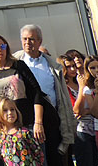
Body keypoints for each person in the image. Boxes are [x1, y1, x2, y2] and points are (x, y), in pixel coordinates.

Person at [14, 25, 75, 165]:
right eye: (24, 39)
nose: (28, 42)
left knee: (55, 159)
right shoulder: (15, 62)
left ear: (39, 41)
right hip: (27, 120)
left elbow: (62, 96)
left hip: (51, 118)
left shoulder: (51, 65)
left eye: (31, 39)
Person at [0, 34, 46, 146]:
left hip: (28, 123)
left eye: (2, 46)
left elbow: (36, 92)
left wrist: (38, 122)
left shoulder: (18, 65)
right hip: (6, 129)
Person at [59, 55, 98, 166]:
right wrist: (81, 88)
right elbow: (76, 110)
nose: (72, 69)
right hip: (80, 129)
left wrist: (88, 111)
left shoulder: (82, 82)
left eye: (74, 66)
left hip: (95, 126)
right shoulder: (64, 86)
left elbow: (96, 106)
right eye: (68, 67)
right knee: (86, 161)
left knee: (95, 160)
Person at [0, 97, 44, 166]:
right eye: (5, 110)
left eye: (12, 109)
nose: (10, 113)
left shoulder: (24, 133)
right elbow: (2, 155)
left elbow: (38, 153)